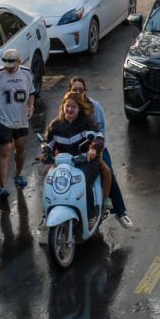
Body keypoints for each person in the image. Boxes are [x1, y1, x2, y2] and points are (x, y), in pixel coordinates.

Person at [66, 76, 132, 227]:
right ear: (69, 91)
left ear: (85, 91)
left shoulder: (95, 106)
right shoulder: (67, 105)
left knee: (107, 170)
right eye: (74, 90)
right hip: (73, 148)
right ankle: (48, 213)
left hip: (94, 147)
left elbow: (101, 130)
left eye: (81, 90)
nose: (78, 92)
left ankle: (120, 212)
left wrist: (96, 149)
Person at [41, 94, 114, 216]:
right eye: (67, 106)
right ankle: (47, 212)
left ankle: (91, 215)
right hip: (64, 164)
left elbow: (99, 137)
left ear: (79, 108)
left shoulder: (87, 122)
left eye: (73, 107)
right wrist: (45, 153)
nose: (70, 109)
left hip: (86, 162)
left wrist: (93, 148)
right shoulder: (55, 125)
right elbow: (48, 143)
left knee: (82, 181)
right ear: (63, 106)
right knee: (50, 180)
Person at [0, 48, 35, 202]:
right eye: (6, 64)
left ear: (19, 62)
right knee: (5, 150)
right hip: (2, 119)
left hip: (21, 119)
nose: (8, 68)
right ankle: (3, 187)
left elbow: (31, 92)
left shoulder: (26, 73)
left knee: (20, 149)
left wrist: (31, 106)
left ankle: (18, 175)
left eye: (11, 65)